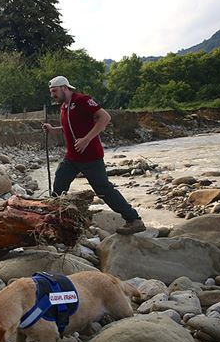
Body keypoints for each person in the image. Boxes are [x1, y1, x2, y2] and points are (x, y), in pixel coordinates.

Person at [42, 76, 146, 235]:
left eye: (54, 91)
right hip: (72, 157)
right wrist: (52, 129)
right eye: (51, 92)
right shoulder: (64, 106)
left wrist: (87, 139)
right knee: (59, 183)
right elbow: (68, 128)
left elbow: (105, 117)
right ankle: (54, 217)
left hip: (90, 156)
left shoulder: (83, 100)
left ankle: (134, 219)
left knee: (104, 189)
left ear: (64, 88)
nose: (52, 95)